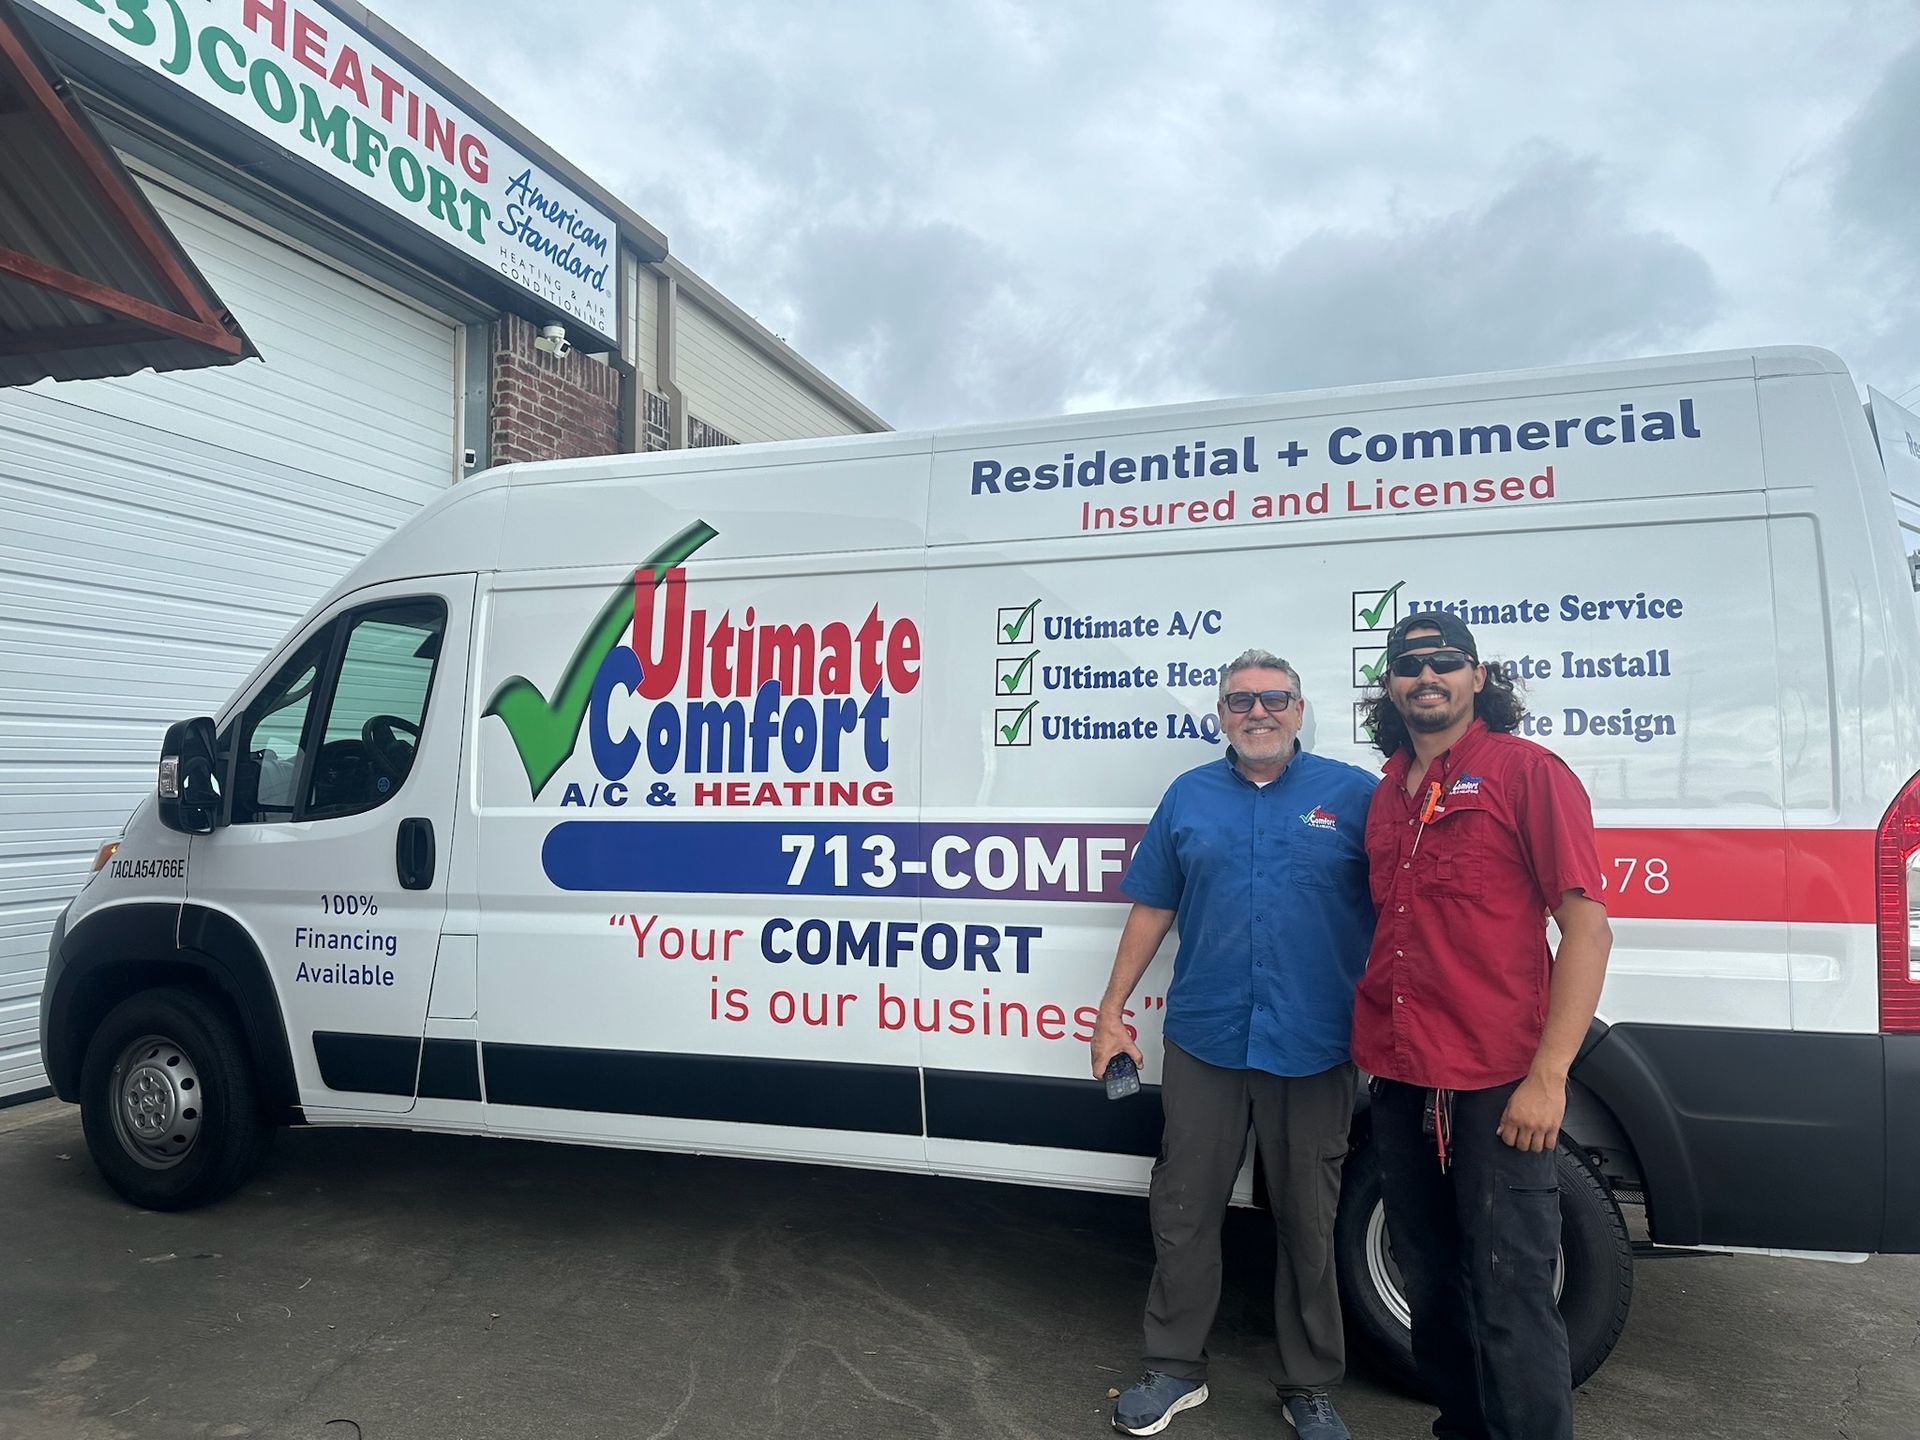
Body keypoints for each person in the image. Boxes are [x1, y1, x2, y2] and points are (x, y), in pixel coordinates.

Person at [1091, 649, 1377, 1439]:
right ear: (1220, 713)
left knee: (1308, 1218)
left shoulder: (1353, 796)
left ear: (1299, 708)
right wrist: (1111, 1009)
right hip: (1207, 1038)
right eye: (1239, 700)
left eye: (1273, 698)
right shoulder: (1188, 796)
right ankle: (1174, 1368)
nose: (1258, 712)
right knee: (1183, 1207)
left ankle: (1309, 1383)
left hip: (1315, 1044)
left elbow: (1400, 909)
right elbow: (1151, 906)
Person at [1352, 613, 1614, 1440]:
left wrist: (1548, 1077)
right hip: (1400, 1074)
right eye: (1407, 666)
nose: (1425, 677)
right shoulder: (1389, 788)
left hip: (1497, 1082)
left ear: (1478, 675)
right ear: (1388, 686)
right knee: (1432, 1282)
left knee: (1511, 1291)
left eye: (1444, 663)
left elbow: (1588, 928)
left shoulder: (1525, 772)